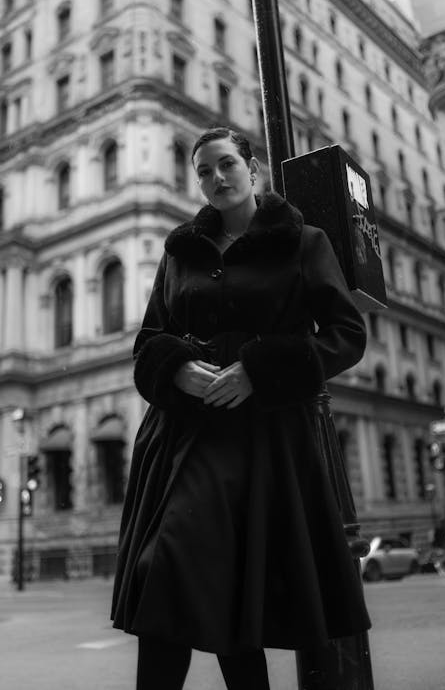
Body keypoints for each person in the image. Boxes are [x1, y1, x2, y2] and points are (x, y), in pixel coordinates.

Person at [111, 127, 371, 689]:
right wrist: (174, 366)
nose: (216, 178)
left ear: (252, 170)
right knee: (165, 567)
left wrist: (260, 371)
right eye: (203, 171)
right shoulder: (180, 251)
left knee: (232, 595)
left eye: (226, 164)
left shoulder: (303, 242)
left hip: (263, 440)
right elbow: (149, 338)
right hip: (181, 435)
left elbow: (347, 335)